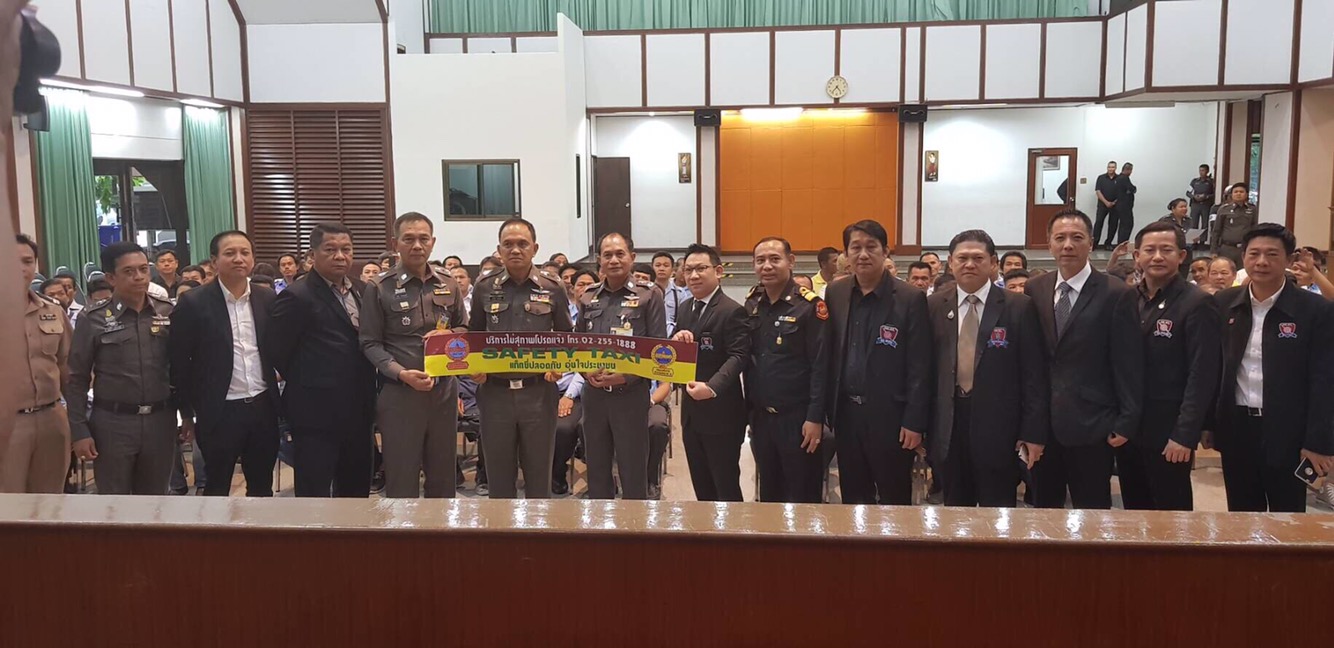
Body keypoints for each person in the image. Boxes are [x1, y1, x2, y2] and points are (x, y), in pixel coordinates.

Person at [1024, 209, 1142, 509]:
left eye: (1077, 238)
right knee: (1043, 511)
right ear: (1049, 244)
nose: (1068, 245)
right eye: (1060, 238)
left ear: (1091, 243)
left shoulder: (1116, 292)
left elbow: (1128, 361)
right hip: (1043, 424)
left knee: (1093, 511)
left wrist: (1126, 420)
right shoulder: (1034, 289)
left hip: (1094, 423)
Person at [1212, 224, 1334, 512]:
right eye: (1254, 254)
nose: (1261, 262)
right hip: (1237, 426)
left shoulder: (1315, 310)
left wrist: (1319, 441)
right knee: (1241, 513)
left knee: (1287, 515)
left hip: (1289, 430)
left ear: (1289, 260)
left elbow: (1325, 379)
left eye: (1272, 254)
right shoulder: (1224, 303)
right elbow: (1213, 367)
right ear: (1244, 257)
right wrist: (1208, 424)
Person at [927, 230, 1047, 507]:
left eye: (978, 258)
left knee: (998, 513)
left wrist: (1033, 432)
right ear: (950, 262)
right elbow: (925, 370)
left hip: (1000, 428)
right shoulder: (933, 306)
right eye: (962, 258)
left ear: (993, 262)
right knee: (955, 512)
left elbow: (1033, 375)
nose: (969, 264)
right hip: (949, 424)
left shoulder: (1019, 307)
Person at [264, 224, 377, 497]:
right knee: (314, 492)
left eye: (346, 249)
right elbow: (277, 351)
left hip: (359, 407)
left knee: (356, 490)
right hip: (314, 411)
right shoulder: (296, 295)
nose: (340, 256)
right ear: (312, 255)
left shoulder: (362, 289)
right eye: (330, 249)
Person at [824, 220, 932, 505]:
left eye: (871, 247)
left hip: (891, 419)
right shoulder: (835, 292)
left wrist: (914, 421)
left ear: (885, 252)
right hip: (847, 415)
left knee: (894, 499)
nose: (863, 254)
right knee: (853, 498)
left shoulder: (910, 298)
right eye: (855, 248)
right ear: (846, 254)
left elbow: (920, 366)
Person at [361, 213, 467, 499]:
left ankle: (440, 528)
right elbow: (369, 342)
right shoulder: (379, 287)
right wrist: (400, 373)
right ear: (395, 243)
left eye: (423, 239)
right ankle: (403, 530)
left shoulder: (449, 283)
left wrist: (450, 334)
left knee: (443, 478)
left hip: (444, 392)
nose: (417, 245)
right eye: (409, 239)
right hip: (400, 395)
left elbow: (465, 328)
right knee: (402, 479)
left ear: (433, 242)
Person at [1117, 222, 1221, 511]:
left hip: (1169, 431)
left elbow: (1202, 374)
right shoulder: (1127, 298)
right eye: (1149, 250)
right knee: (1134, 510)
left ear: (1182, 255)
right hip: (1128, 429)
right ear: (1137, 256)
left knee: (1172, 515)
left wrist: (1185, 434)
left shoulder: (1197, 302)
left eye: (1166, 250)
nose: (1157, 257)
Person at [169, 231, 279, 497]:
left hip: (262, 405)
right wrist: (186, 412)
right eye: (230, 253)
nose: (239, 259)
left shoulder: (267, 298)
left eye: (245, 253)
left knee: (261, 487)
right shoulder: (193, 302)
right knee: (216, 486)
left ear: (253, 259)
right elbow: (179, 361)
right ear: (214, 261)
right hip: (219, 411)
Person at [469, 218, 573, 499]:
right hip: (494, 394)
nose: (515, 250)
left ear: (535, 248)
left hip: (538, 393)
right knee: (499, 481)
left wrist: (559, 366)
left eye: (522, 244)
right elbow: (473, 336)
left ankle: (537, 530)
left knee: (539, 480)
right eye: (508, 244)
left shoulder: (553, 286)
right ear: (499, 249)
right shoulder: (484, 286)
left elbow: (566, 336)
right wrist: (474, 368)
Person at [67, 242, 182, 494]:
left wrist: (187, 417)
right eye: (129, 271)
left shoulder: (167, 311)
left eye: (143, 269)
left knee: (156, 501)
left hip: (160, 420)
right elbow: (76, 379)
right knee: (113, 503)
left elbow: (181, 369)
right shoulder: (93, 318)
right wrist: (79, 430)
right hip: (113, 423)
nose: (139, 277)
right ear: (111, 278)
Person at [576, 233, 666, 500]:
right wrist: (585, 372)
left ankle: (634, 524)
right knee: (597, 470)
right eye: (607, 255)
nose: (613, 260)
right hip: (594, 396)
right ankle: (602, 523)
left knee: (633, 469)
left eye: (619, 254)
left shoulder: (649, 295)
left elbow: (658, 349)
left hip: (630, 396)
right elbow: (576, 345)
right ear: (599, 260)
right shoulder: (588, 297)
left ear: (632, 257)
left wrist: (626, 376)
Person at [744, 237, 828, 503]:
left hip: (798, 420)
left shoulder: (809, 306)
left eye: (774, 259)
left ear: (790, 261)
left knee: (802, 497)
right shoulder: (753, 303)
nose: (767, 266)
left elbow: (820, 366)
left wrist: (815, 418)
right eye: (760, 261)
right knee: (769, 495)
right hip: (761, 418)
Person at [672, 243, 750, 502]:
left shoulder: (732, 310)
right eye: (688, 270)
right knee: (702, 486)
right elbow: (679, 356)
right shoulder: (685, 308)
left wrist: (713, 387)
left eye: (700, 269)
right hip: (691, 414)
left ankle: (733, 530)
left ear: (718, 271)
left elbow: (738, 356)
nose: (693, 275)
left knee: (725, 487)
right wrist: (677, 342)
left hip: (722, 414)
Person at [3, 234, 72, 493]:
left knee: (50, 499)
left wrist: (76, 419)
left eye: (27, 261)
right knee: (8, 501)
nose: (21, 268)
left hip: (51, 419)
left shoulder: (53, 311)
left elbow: (67, 366)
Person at [551, 268, 597, 495]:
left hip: (578, 389)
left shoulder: (597, 317)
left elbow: (586, 364)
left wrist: (569, 395)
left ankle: (557, 473)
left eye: (590, 285)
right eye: (580, 284)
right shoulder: (559, 312)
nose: (584, 289)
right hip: (545, 384)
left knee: (564, 428)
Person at [1211, 183, 1257, 265]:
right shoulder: (1224, 209)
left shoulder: (1252, 209)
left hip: (1244, 248)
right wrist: (1213, 251)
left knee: (1243, 272)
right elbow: (1216, 231)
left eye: (1241, 192)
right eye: (1236, 192)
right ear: (1231, 194)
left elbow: (1255, 229)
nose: (1238, 194)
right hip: (1226, 248)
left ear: (1246, 194)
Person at [652, 252, 687, 333]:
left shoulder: (680, 293)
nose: (661, 268)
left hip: (672, 335)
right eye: (658, 265)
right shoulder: (645, 292)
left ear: (672, 269)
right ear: (652, 268)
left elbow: (684, 319)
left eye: (666, 265)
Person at [1093, 161, 1121, 250]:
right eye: (1109, 167)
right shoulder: (1101, 178)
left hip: (1115, 205)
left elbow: (1122, 193)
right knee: (1098, 223)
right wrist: (1106, 202)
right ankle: (1094, 243)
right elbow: (1098, 191)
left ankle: (1108, 243)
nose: (1110, 169)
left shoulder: (1119, 179)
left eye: (1112, 167)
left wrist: (1113, 202)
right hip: (1102, 205)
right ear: (1107, 167)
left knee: (1113, 224)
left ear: (1115, 168)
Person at [1113, 162, 1137, 246]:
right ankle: (1123, 244)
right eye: (1131, 170)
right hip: (1125, 206)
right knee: (1127, 225)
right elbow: (1132, 188)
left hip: (1120, 205)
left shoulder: (1118, 178)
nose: (1131, 172)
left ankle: (1121, 244)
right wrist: (1132, 189)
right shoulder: (1124, 178)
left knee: (1123, 225)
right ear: (1128, 170)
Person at [1188, 164, 1215, 230]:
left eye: (1203, 170)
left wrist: (1206, 196)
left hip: (1206, 205)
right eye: (1200, 170)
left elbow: (1215, 194)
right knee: (1193, 224)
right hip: (1195, 205)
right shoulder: (1194, 181)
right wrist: (1194, 196)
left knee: (1205, 225)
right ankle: (1193, 236)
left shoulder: (1211, 182)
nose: (1201, 172)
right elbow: (1188, 192)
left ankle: (1203, 237)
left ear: (1207, 171)